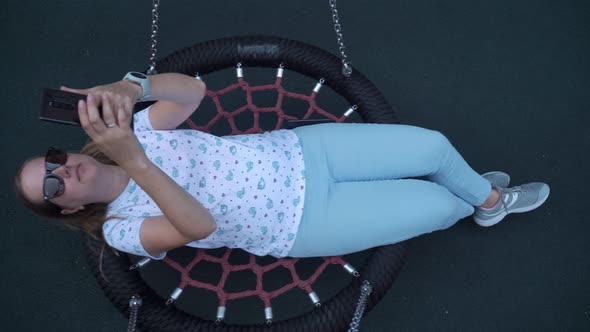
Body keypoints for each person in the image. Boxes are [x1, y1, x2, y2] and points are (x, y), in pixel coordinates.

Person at [14, 73, 550, 260]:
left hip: (300, 151)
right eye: (53, 184)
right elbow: (196, 226)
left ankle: (491, 203)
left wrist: (136, 89)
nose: (65, 170)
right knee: (439, 205)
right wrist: (134, 158)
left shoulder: (136, 132)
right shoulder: (119, 231)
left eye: (55, 159)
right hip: (301, 222)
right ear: (70, 207)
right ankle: (477, 200)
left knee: (433, 147)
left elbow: (193, 93)